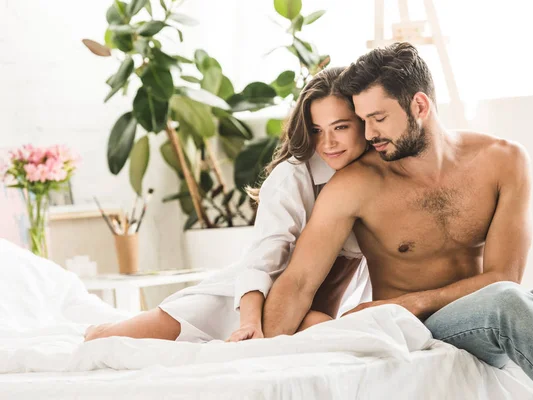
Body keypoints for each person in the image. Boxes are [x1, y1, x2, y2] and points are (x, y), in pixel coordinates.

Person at [262, 42, 533, 399]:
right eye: (363, 121)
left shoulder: (503, 160)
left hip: (487, 316)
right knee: (506, 303)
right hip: (422, 330)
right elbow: (298, 281)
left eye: (378, 118)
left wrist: (412, 301)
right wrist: (262, 349)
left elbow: (505, 277)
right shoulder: (356, 185)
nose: (370, 133)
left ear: (419, 106)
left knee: (517, 297)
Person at [85, 67, 372, 343]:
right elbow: (262, 261)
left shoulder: (379, 180)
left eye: (340, 127)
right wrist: (249, 323)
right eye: (317, 130)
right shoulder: (293, 176)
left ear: (364, 121)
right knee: (109, 339)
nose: (328, 143)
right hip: (246, 302)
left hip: (310, 308)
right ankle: (99, 328)